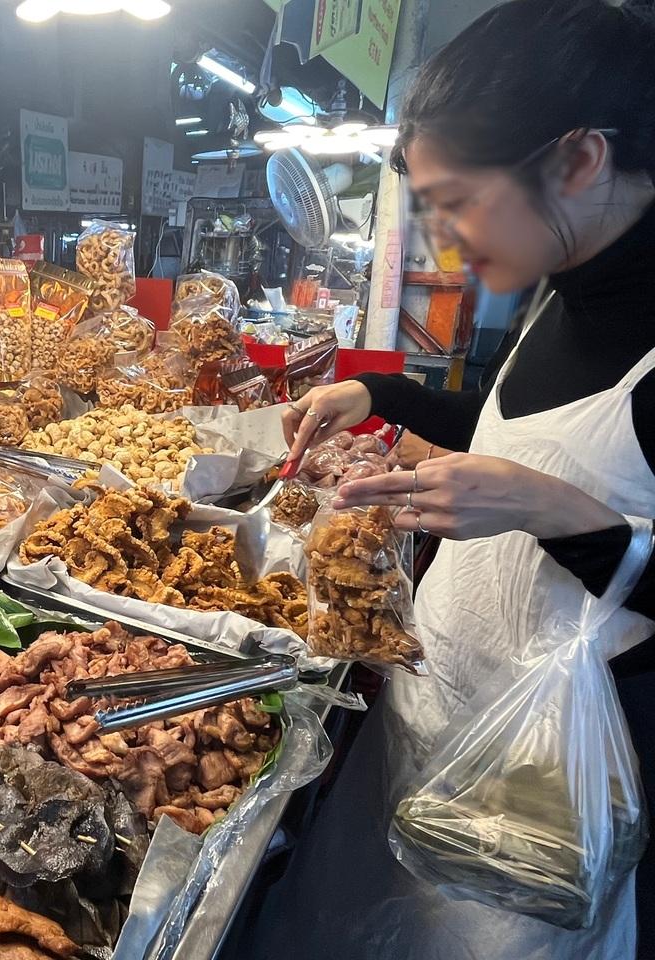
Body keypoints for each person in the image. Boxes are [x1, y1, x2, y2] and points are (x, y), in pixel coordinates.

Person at [245, 1, 655, 957]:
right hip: (433, 703)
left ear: (578, 160)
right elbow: (534, 433)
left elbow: (555, 483)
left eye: (458, 201)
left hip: (540, 777)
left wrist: (556, 513)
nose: (447, 241)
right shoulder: (562, 281)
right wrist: (382, 393)